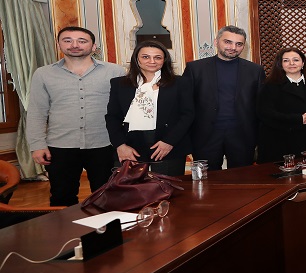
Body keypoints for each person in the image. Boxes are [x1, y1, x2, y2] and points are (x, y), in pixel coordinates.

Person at [26, 26, 125, 206]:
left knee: (106, 198)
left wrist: (124, 143)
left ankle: (104, 234)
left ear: (93, 46)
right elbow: (36, 112)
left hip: (104, 144)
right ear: (59, 44)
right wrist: (37, 145)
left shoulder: (115, 72)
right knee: (61, 198)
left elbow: (125, 110)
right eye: (67, 40)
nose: (74, 45)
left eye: (82, 41)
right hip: (60, 145)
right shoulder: (43, 74)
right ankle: (65, 234)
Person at [105, 40, 194, 176]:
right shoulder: (120, 84)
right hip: (130, 146)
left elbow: (188, 114)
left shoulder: (180, 83)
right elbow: (112, 117)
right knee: (131, 192)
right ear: (136, 59)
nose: (152, 61)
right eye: (145, 57)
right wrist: (120, 145)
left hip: (168, 145)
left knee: (168, 189)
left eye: (157, 57)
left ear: (164, 60)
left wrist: (169, 142)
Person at [182, 25, 266, 169]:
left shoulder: (255, 70)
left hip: (243, 135)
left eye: (239, 44)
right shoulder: (195, 69)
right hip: (205, 135)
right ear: (216, 42)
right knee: (208, 183)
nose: (233, 47)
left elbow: (261, 105)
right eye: (228, 42)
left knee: (241, 180)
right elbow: (185, 104)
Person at [256, 47, 306, 163]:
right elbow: (265, 113)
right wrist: (296, 119)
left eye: (296, 60)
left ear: (303, 63)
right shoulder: (270, 86)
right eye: (286, 60)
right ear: (280, 64)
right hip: (279, 141)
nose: (291, 63)